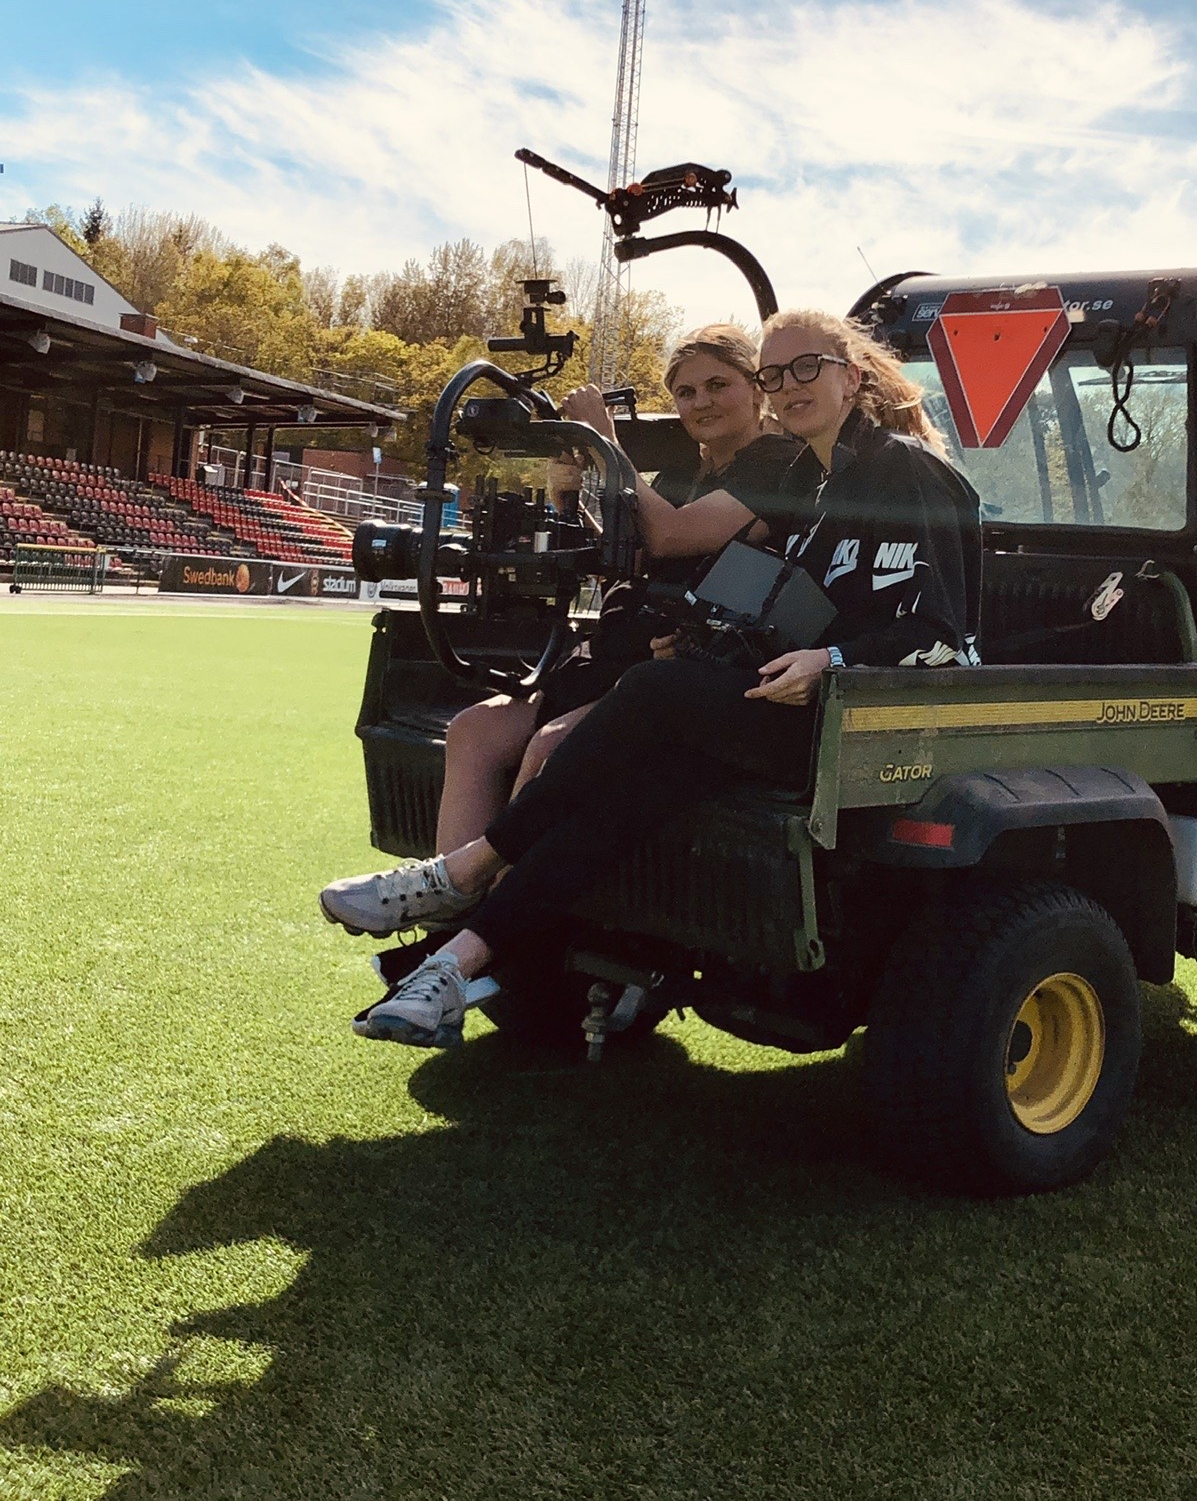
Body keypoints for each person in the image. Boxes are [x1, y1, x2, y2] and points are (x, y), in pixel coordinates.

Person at [345, 308, 983, 1047]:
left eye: (805, 367)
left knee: (647, 694)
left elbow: (946, 637)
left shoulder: (907, 470)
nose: (790, 386)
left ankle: (466, 869)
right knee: (619, 804)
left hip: (843, 715)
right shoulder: (815, 482)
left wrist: (830, 661)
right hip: (776, 698)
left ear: (853, 376)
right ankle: (452, 968)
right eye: (778, 375)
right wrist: (717, 639)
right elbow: (776, 603)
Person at [321, 323, 801, 934]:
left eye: (716, 385)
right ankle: (446, 912)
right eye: (685, 392)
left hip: (676, 669)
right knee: (476, 730)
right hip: (619, 652)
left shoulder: (777, 465)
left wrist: (605, 442)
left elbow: (675, 535)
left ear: (755, 389)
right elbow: (633, 556)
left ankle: (492, 928)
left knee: (551, 747)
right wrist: (571, 503)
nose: (700, 402)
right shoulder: (692, 475)